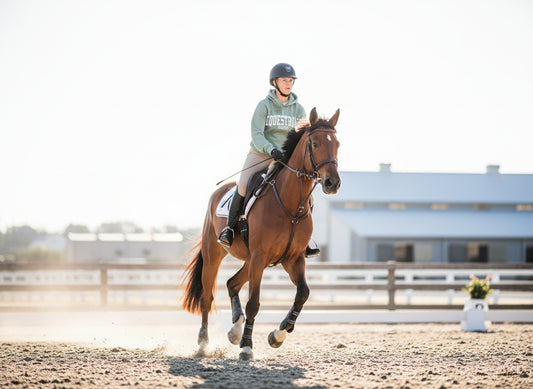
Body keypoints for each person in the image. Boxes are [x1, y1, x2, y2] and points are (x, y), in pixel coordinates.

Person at [217, 63, 320, 258]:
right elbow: (256, 134)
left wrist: (293, 156)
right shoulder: (263, 105)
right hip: (261, 154)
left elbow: (300, 138)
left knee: (309, 195)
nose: (288, 84)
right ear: (275, 82)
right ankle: (229, 230)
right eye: (284, 81)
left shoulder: (298, 109)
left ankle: (304, 240)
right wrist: (271, 149)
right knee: (243, 185)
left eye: (291, 81)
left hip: (286, 161)